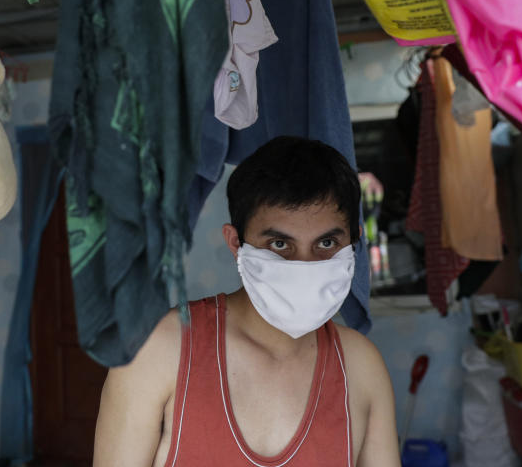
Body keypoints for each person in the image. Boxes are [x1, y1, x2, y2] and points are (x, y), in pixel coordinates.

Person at [94, 136, 400, 466]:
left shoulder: (361, 367)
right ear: (236, 243)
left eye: (326, 242)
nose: (304, 266)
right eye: (280, 244)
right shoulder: (159, 350)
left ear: (353, 241)